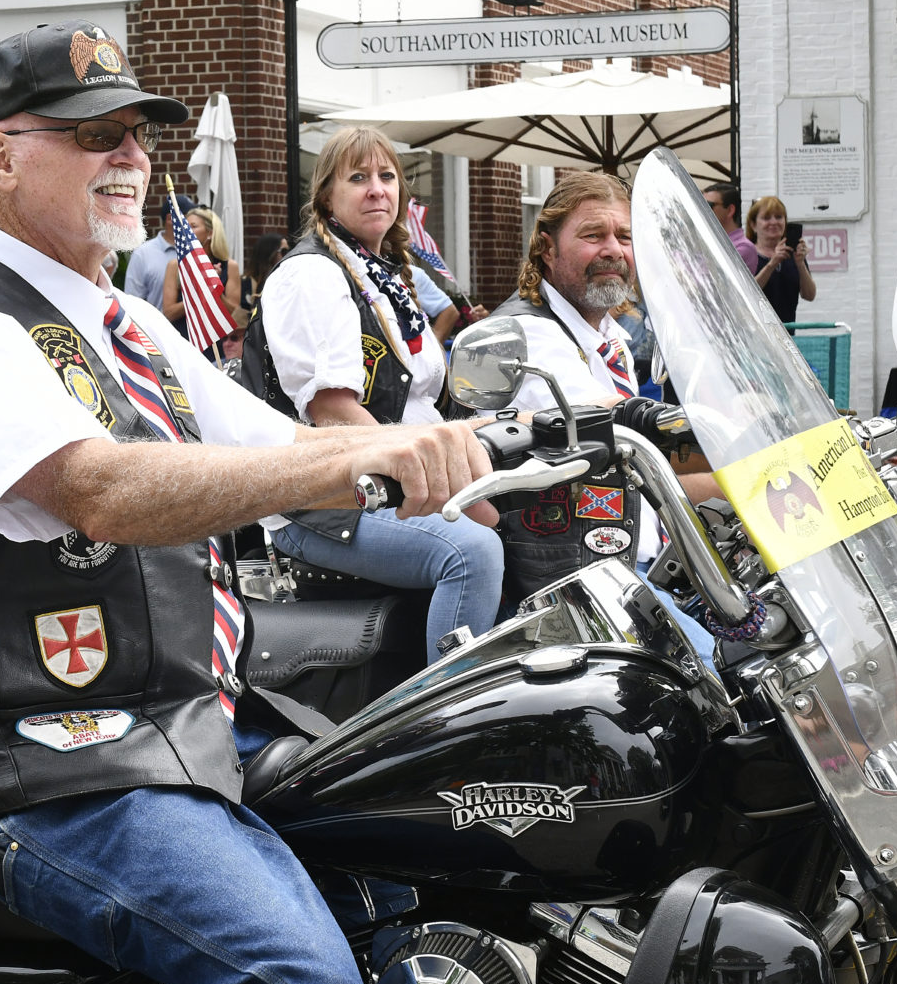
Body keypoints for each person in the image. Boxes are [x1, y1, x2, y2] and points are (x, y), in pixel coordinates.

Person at [0, 21, 491, 984]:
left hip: (174, 722)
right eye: (92, 136)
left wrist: (473, 455)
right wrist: (356, 463)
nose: (129, 158)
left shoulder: (123, 324)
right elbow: (102, 488)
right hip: (32, 762)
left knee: (435, 854)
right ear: (0, 157)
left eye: (138, 134)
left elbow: (285, 443)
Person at [253, 127, 505, 651]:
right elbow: (335, 413)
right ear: (327, 196)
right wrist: (446, 488)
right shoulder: (312, 276)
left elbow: (421, 404)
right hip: (325, 499)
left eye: (387, 177)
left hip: (392, 474)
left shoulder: (386, 276)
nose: (377, 189)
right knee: (473, 552)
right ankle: (450, 719)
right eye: (359, 177)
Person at [490, 172, 720, 651]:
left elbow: (639, 474)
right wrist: (742, 450)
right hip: (568, 578)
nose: (614, 249)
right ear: (546, 249)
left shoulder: (608, 336)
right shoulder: (526, 336)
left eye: (625, 236)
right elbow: (619, 435)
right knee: (715, 682)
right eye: (593, 235)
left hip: (627, 557)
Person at [160, 199, 246, 357]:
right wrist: (200, 288)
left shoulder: (230, 266)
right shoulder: (175, 266)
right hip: (184, 345)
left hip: (218, 349)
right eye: (186, 226)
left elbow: (234, 313)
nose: (187, 231)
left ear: (210, 233)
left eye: (193, 226)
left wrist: (214, 288)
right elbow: (169, 313)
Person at [745, 195, 816, 323]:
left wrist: (800, 264)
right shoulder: (747, 254)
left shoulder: (793, 254)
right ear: (753, 225)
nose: (773, 222)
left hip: (788, 334)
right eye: (766, 218)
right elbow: (747, 293)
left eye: (779, 217)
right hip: (756, 335)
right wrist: (772, 263)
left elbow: (809, 295)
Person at [120, 196, 183, 315]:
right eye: (188, 216)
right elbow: (132, 301)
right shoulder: (143, 253)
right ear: (170, 218)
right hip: (157, 330)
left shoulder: (197, 251)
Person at [704, 181, 754, 263]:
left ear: (730, 210)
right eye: (700, 204)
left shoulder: (743, 247)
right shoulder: (710, 239)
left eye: (708, 205)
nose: (703, 209)